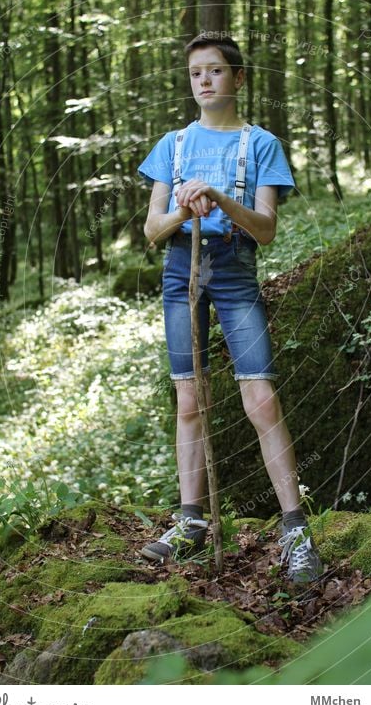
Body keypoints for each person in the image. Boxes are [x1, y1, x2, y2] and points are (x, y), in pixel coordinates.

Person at [137, 33, 322, 583]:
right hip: (180, 272)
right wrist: (183, 210)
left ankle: (295, 530)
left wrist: (218, 198)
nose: (205, 81)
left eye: (216, 71)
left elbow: (264, 231)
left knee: (260, 396)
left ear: (238, 79)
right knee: (190, 397)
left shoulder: (260, 144)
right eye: (196, 73)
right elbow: (152, 229)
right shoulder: (171, 145)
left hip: (236, 271)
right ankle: (190, 525)